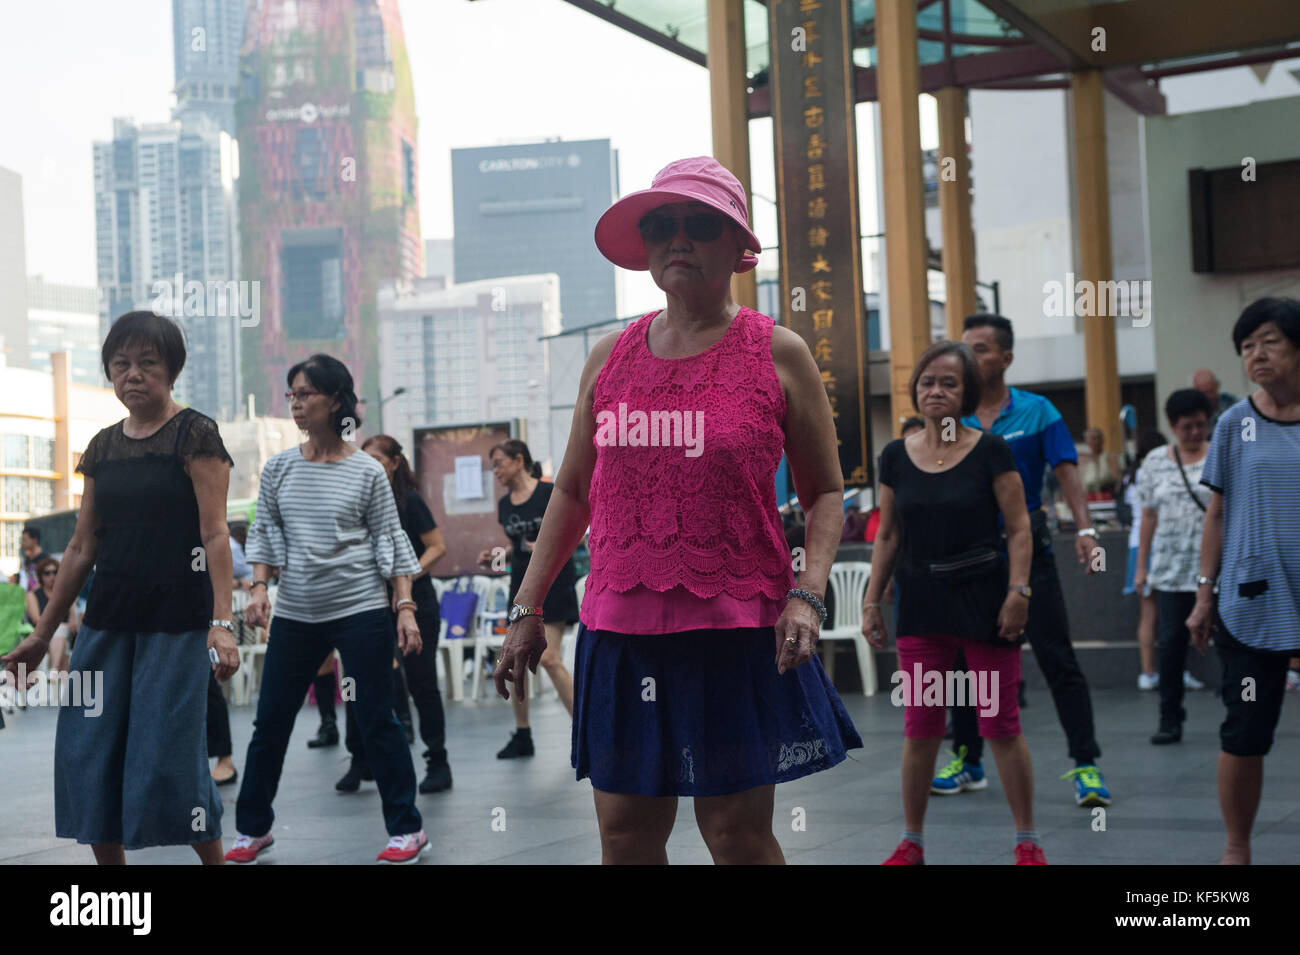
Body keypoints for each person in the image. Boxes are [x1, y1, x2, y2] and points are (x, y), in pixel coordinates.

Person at [493, 156, 861, 865]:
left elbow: (823, 491)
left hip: (734, 631)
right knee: (626, 838)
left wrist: (808, 593)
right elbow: (570, 490)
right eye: (661, 226)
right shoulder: (609, 357)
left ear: (737, 246)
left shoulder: (779, 353)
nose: (677, 240)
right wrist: (527, 605)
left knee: (736, 836)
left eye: (699, 225)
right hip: (621, 630)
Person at [2, 310, 238, 864]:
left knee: (168, 757)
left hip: (177, 621)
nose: (132, 375)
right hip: (108, 619)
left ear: (171, 370)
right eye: (121, 364)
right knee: (88, 751)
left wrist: (222, 623)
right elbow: (83, 547)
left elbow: (216, 533)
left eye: (147, 364)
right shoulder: (103, 447)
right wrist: (41, 636)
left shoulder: (195, 434)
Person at [226, 355, 429, 865]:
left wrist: (404, 608)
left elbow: (391, 542)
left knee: (377, 717)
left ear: (336, 400)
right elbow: (267, 535)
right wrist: (257, 591)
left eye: (306, 394)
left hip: (360, 608)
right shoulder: (278, 469)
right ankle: (252, 830)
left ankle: (407, 829)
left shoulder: (366, 471)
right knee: (270, 721)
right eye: (292, 394)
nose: (296, 403)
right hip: (296, 611)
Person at [864, 341, 1039, 865]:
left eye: (948, 383)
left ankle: (1026, 841)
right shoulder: (896, 454)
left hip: (985, 599)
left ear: (966, 394)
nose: (935, 391)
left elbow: (1020, 527)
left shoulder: (990, 450)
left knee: (999, 724)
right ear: (916, 391)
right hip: (922, 602)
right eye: (927, 383)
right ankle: (911, 841)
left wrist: (1019, 591)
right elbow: (888, 535)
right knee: (921, 727)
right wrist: (873, 600)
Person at [934, 314, 1111, 808]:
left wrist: (1087, 530)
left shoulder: (1038, 412)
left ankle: (1086, 765)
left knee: (1057, 658)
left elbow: (1068, 473)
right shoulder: (951, 417)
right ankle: (967, 761)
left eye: (983, 349)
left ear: (1006, 358)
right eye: (966, 348)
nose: (972, 357)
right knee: (965, 664)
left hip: (1029, 551)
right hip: (968, 558)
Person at [1187, 297, 1300, 865]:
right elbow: (1218, 514)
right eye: (1247, 345)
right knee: (1246, 729)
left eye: (1270, 341)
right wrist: (1204, 593)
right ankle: (1237, 848)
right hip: (1252, 604)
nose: (1256, 354)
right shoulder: (1235, 425)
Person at [335, 434, 451, 795]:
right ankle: (359, 759)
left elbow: (437, 546)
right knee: (358, 680)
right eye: (364, 460)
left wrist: (406, 575)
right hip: (368, 605)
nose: (370, 466)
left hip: (415, 605)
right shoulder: (359, 503)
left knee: (422, 682)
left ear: (395, 463)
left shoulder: (408, 501)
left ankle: (437, 760)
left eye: (378, 460)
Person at [477, 439, 578, 758]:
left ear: (518, 460)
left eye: (498, 464)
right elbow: (516, 545)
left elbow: (575, 532)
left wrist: (550, 547)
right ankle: (523, 735)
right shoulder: (505, 505)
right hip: (521, 584)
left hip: (554, 581)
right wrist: (496, 555)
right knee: (515, 658)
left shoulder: (549, 494)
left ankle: (585, 730)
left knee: (549, 658)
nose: (495, 471)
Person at [1136, 389, 1215, 745]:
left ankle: (1242, 706)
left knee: (1231, 644)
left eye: (1201, 425)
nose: (1195, 433)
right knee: (1170, 645)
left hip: (1216, 570)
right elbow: (1148, 516)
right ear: (1172, 426)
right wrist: (1142, 567)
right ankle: (1170, 716)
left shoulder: (1220, 454)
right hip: (1169, 570)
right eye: (1187, 427)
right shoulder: (1154, 461)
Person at [206, 529, 253, 787]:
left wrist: (221, 624)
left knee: (206, 680)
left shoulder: (229, 545)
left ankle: (225, 759)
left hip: (198, 607)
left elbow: (245, 576)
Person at [1123, 428, 1167, 690]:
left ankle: (1147, 673)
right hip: (1157, 544)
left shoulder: (1132, 475)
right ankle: (1169, 671)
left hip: (1136, 546)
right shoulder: (1156, 471)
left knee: (1148, 613)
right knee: (1168, 613)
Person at [25, 557, 78, 675]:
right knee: (61, 634)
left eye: (55, 572)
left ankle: (54, 671)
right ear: (40, 576)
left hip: (64, 635)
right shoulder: (33, 595)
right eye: (47, 573)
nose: (51, 576)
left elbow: (74, 624)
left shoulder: (67, 594)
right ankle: (56, 673)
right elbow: (37, 619)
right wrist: (61, 626)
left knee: (61, 631)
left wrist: (63, 626)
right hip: (42, 636)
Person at [1076, 427, 1121, 498]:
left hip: (1107, 496)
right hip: (1088, 497)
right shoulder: (1082, 459)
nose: (1096, 442)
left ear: (1103, 440)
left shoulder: (1110, 457)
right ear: (1087, 441)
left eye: (1099, 438)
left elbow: (1117, 479)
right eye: (1093, 438)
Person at [18, 526, 51, 593]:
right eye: (22, 540)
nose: (23, 543)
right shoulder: (27, 558)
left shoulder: (44, 558)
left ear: (35, 540)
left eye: (25, 540)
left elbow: (46, 580)